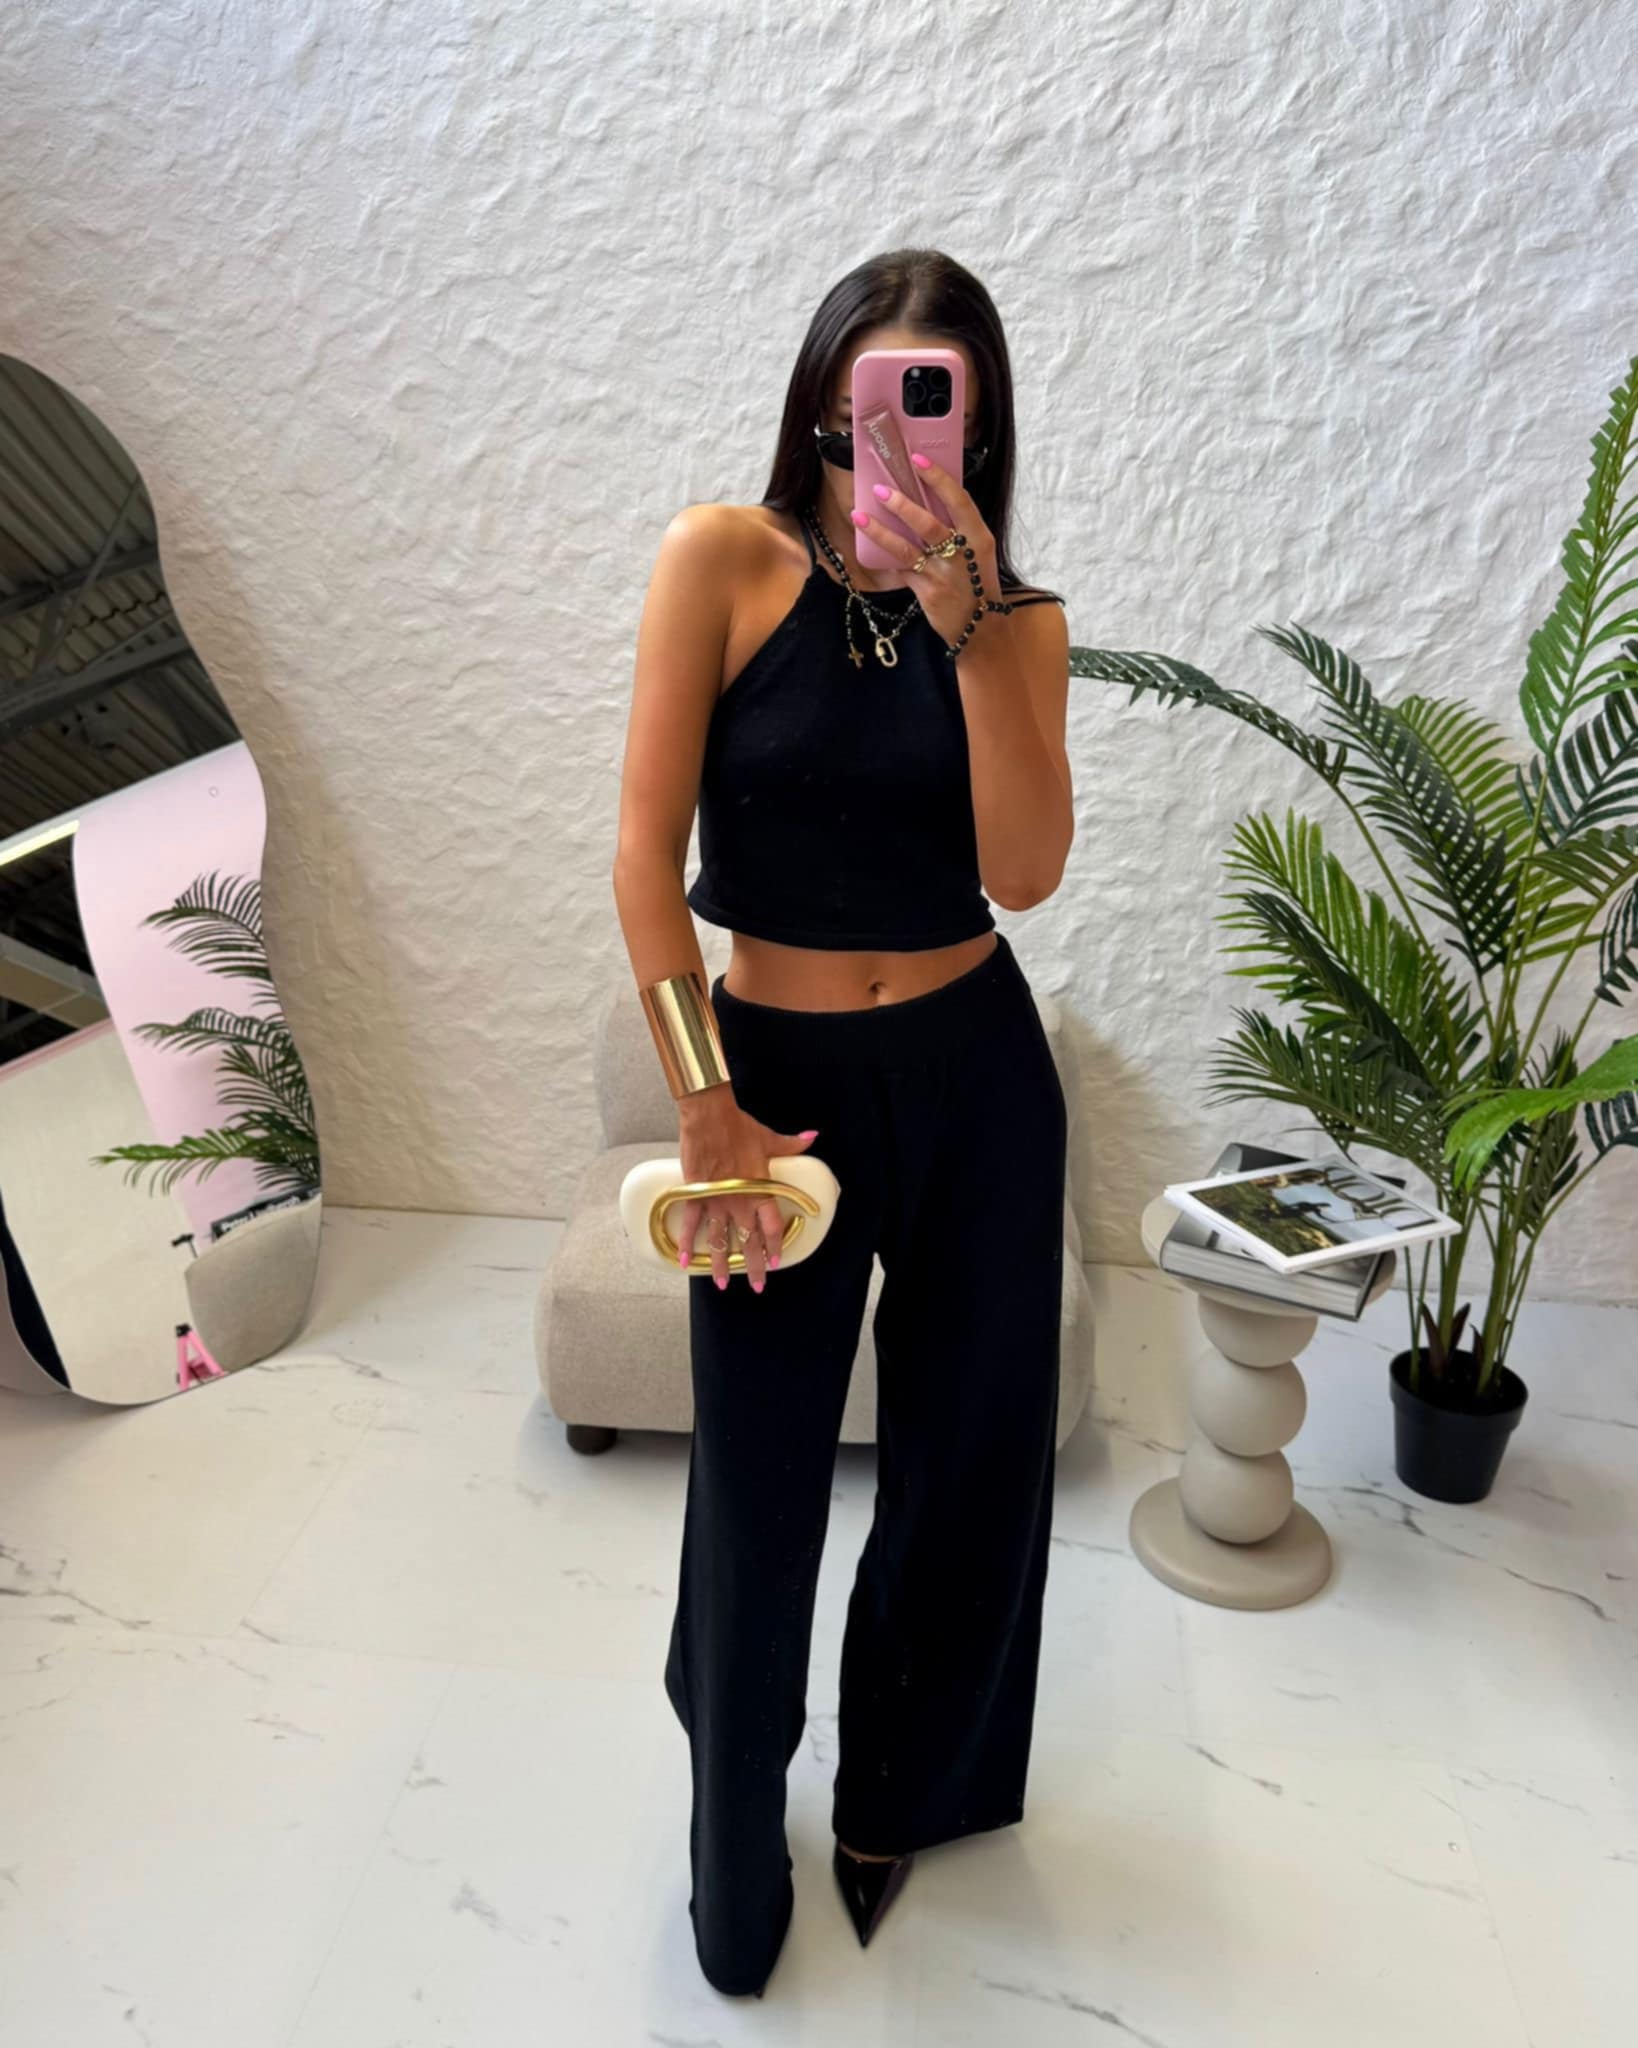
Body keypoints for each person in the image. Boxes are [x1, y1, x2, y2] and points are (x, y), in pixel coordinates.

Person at [612, 246, 1073, 1999]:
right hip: (773, 1089)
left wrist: (969, 632)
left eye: (940, 409)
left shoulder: (1017, 623)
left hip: (977, 1074)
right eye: (870, 402)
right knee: (755, 1479)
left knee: (967, 1463)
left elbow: (1023, 872)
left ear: (982, 431)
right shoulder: (719, 562)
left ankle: (899, 1796)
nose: (895, 438)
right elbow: (641, 860)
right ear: (820, 399)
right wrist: (704, 1102)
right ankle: (733, 1843)